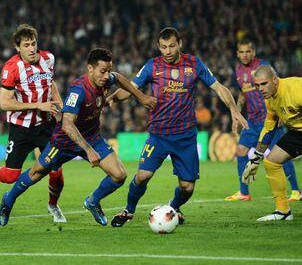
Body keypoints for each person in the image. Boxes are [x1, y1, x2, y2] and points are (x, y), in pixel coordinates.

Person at [0, 48, 156, 227]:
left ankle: (92, 201)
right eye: (102, 71)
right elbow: (67, 124)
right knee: (36, 174)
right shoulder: (78, 90)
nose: (106, 75)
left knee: (119, 175)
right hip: (64, 141)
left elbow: (118, 78)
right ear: (90, 68)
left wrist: (140, 96)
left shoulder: (106, 79)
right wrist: (88, 151)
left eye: (108, 70)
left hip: (92, 136)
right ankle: (8, 200)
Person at [108, 27, 248, 227]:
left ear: (180, 43)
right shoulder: (152, 66)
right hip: (158, 135)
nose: (168, 51)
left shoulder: (194, 64)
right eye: (163, 47)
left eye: (172, 46)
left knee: (187, 187)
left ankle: (174, 208)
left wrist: (233, 109)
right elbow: (131, 88)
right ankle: (128, 210)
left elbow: (218, 87)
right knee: (142, 176)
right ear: (158, 46)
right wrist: (114, 97)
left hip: (185, 137)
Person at [0, 23, 67, 223]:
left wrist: (59, 104)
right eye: (26, 45)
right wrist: (39, 105)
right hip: (21, 128)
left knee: (56, 171)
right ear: (17, 47)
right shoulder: (11, 68)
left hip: (45, 126)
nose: (31, 49)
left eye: (33, 44)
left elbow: (51, 82)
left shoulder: (48, 58)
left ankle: (53, 206)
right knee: (11, 175)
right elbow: (4, 103)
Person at [225, 39, 300, 202]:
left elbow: (278, 86)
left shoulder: (263, 67)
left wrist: (280, 114)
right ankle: (244, 192)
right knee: (240, 152)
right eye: (241, 52)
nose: (245, 55)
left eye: (248, 51)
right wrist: (237, 114)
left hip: (270, 119)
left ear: (254, 52)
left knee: (281, 154)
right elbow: (243, 94)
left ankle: (295, 190)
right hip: (252, 121)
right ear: (237, 54)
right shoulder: (238, 72)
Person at [242, 66, 302, 221]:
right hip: (297, 132)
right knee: (271, 162)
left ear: (275, 80)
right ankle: (283, 211)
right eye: (257, 85)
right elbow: (269, 128)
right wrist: (256, 158)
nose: (260, 89)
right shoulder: (270, 100)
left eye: (264, 84)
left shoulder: (295, 90)